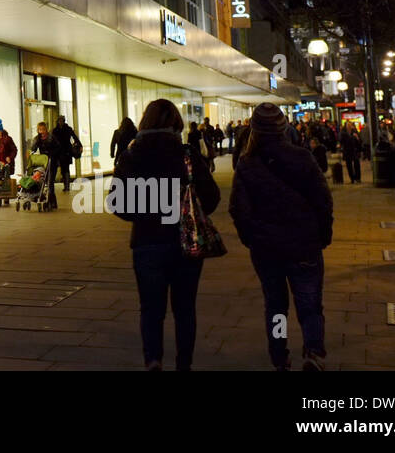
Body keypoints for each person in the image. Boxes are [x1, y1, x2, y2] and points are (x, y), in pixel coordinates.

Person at [111, 98, 220, 371]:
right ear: (176, 123)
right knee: (185, 310)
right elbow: (212, 197)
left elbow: (117, 203)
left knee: (151, 309)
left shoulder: (130, 156)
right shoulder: (187, 154)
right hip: (185, 242)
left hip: (147, 242)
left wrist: (143, 213)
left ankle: (153, 360)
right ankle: (184, 364)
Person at [230, 103, 333, 370]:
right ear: (283, 128)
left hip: (267, 249)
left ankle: (279, 354)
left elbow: (238, 209)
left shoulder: (246, 163)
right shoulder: (302, 157)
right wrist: (322, 234)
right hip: (304, 245)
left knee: (276, 306)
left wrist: (250, 238)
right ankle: (313, 352)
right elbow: (322, 200)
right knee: (310, 304)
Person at [49, 116, 80, 199]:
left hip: (66, 151)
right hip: (59, 152)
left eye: (61, 120)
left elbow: (75, 137)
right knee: (63, 168)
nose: (60, 122)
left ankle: (66, 185)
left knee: (65, 168)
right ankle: (65, 185)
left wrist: (78, 144)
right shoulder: (56, 130)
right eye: (59, 121)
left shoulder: (65, 129)